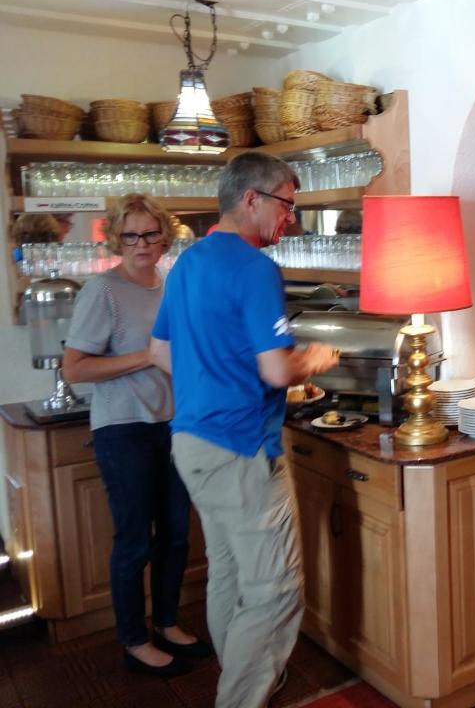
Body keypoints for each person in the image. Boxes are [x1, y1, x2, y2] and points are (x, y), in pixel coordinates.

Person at [149, 152, 337, 708]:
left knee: (230, 572)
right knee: (276, 591)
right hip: (240, 447)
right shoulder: (255, 268)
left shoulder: (186, 263)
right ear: (252, 199)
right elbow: (277, 370)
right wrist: (313, 359)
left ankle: (242, 680)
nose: (290, 218)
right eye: (286, 205)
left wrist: (215, 376)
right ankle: (239, 698)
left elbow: (160, 352)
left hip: (192, 443)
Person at [63, 194, 211, 678]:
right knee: (134, 540)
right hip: (123, 428)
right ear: (116, 239)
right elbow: (75, 369)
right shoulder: (102, 291)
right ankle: (134, 639)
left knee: (174, 535)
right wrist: (146, 356)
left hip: (174, 423)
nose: (142, 243)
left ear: (164, 237)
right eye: (131, 235)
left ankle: (166, 623)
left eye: (150, 233)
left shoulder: (170, 286)